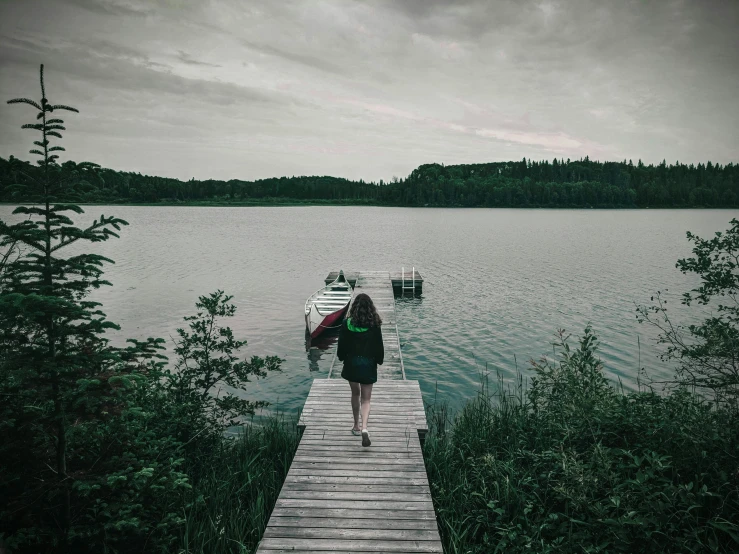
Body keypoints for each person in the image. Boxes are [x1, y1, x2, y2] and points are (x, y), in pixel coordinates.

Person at [336, 293, 384, 447]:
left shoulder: (346, 323)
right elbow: (379, 346)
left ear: (354, 307)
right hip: (368, 365)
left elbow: (341, 345)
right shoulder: (374, 324)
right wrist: (379, 360)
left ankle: (355, 425)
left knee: (355, 393)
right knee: (366, 399)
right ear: (370, 308)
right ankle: (364, 428)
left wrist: (341, 357)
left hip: (352, 364)